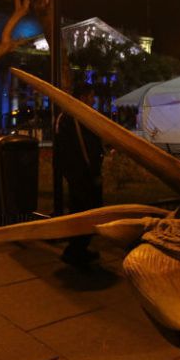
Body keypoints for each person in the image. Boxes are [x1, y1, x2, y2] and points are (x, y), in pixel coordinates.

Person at [54, 83, 105, 266]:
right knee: (83, 212)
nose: (93, 100)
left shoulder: (80, 116)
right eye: (91, 96)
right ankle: (75, 251)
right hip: (81, 176)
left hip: (85, 174)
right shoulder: (71, 118)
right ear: (83, 97)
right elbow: (79, 150)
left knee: (89, 212)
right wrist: (90, 172)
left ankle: (79, 248)